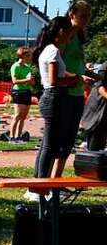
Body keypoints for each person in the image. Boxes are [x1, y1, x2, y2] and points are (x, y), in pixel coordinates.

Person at [30, 11, 88, 191]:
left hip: (54, 97)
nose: (70, 35)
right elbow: (55, 80)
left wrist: (78, 76)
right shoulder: (54, 50)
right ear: (61, 31)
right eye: (68, 31)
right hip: (54, 97)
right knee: (49, 145)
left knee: (50, 144)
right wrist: (76, 80)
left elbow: (61, 74)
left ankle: (41, 185)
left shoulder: (48, 49)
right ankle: (40, 186)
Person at [8, 47, 36, 142]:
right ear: (23, 56)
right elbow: (14, 81)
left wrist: (31, 80)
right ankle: (12, 137)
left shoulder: (28, 68)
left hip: (27, 92)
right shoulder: (15, 66)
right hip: (18, 92)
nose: (30, 58)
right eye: (29, 56)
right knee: (17, 115)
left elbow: (32, 83)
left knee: (23, 116)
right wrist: (27, 80)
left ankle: (18, 137)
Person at [80, 60, 107, 151]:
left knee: (101, 140)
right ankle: (91, 163)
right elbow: (100, 86)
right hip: (98, 109)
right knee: (95, 141)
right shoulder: (105, 66)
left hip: (104, 109)